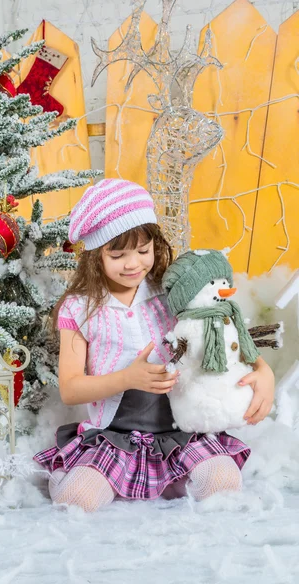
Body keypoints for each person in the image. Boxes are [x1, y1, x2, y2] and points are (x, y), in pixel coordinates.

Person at [33, 178, 275, 512]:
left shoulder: (171, 293)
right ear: (95, 256)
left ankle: (170, 474)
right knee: (76, 500)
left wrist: (264, 372)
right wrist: (127, 379)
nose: (133, 264)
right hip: (116, 436)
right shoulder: (80, 307)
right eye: (117, 255)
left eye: (143, 251)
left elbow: (224, 334)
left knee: (224, 486)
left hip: (180, 430)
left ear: (155, 245)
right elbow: (71, 390)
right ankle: (77, 473)